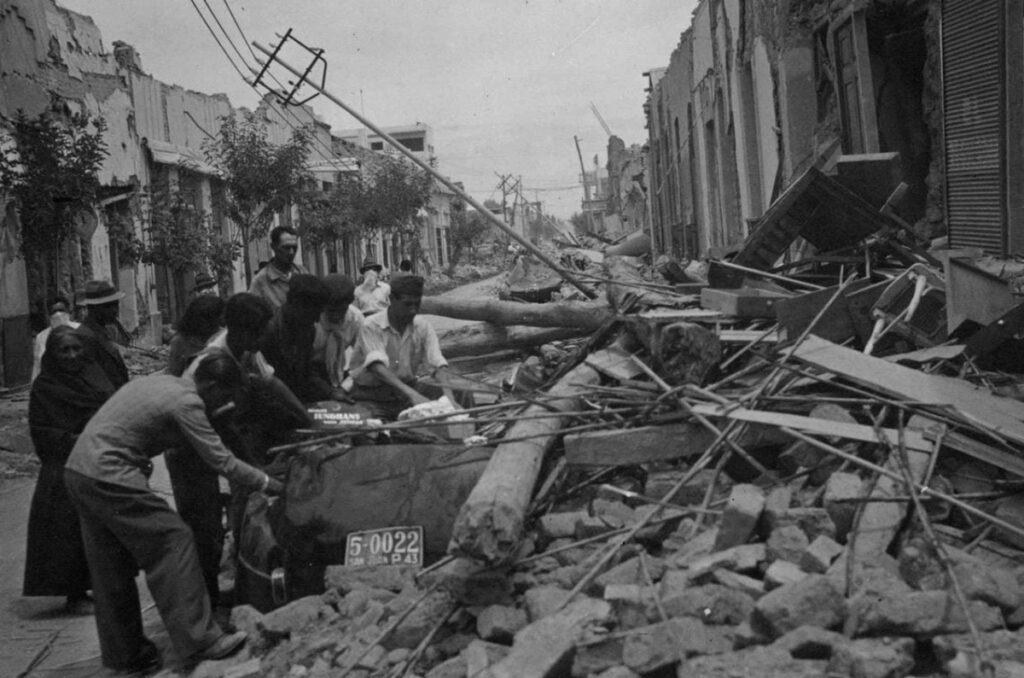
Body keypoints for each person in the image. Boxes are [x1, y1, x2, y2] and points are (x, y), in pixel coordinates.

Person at [64, 353, 281, 673]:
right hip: (110, 473)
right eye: (223, 395)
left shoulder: (163, 383)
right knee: (173, 538)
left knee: (111, 565)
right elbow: (222, 461)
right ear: (209, 383)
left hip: (79, 471)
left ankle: (126, 655)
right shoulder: (187, 403)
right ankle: (201, 640)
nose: (224, 403)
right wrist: (268, 482)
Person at [23, 326, 115, 613]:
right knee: (67, 531)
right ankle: (74, 594)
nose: (72, 355)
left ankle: (103, 586)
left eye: (76, 348)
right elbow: (42, 431)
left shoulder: (94, 375)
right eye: (64, 350)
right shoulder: (45, 388)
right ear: (53, 354)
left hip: (98, 461)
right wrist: (77, 440)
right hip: (63, 467)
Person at [348, 274, 458, 419]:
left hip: (408, 389)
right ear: (391, 299)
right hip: (373, 396)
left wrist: (450, 399)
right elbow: (377, 367)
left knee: (460, 395)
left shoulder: (422, 326)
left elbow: (437, 363)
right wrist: (414, 396)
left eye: (416, 304)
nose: (413, 310)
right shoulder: (371, 325)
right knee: (373, 428)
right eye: (407, 304)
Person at [260, 274, 334, 403]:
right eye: (313, 313)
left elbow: (307, 372)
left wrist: (331, 392)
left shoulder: (307, 329)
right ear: (297, 305)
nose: (316, 320)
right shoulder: (268, 331)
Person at [313, 274, 365, 399]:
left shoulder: (356, 319)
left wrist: (346, 386)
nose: (336, 316)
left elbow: (365, 359)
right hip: (309, 372)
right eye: (331, 311)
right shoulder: (311, 319)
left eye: (341, 310)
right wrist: (328, 391)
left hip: (338, 374)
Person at [77, 279, 129, 389]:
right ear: (93, 308)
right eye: (108, 306)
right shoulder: (85, 337)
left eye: (116, 305)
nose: (115, 310)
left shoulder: (104, 332)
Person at [247, 226, 308, 310]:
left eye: (294, 248)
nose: (291, 252)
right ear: (273, 247)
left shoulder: (303, 272)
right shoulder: (260, 281)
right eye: (286, 248)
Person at [166, 295, 225, 377]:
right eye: (204, 319)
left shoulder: (222, 337)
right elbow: (175, 373)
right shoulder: (180, 341)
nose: (206, 324)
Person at [31, 295, 81, 381]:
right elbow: (37, 365)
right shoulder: (41, 337)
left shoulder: (80, 330)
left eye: (61, 310)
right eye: (54, 311)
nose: (58, 314)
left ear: (68, 311)